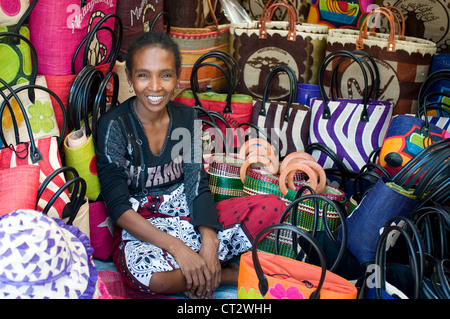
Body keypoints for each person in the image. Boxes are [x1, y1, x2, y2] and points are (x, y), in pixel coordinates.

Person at [95, 31, 286, 299]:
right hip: (144, 229)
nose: (155, 86)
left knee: (274, 207)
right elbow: (119, 209)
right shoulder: (114, 126)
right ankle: (224, 274)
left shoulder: (187, 118)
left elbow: (197, 185)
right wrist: (177, 248)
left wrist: (209, 240)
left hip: (189, 215)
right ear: (129, 77)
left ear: (177, 77)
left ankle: (201, 268)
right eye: (143, 75)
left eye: (165, 75)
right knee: (155, 280)